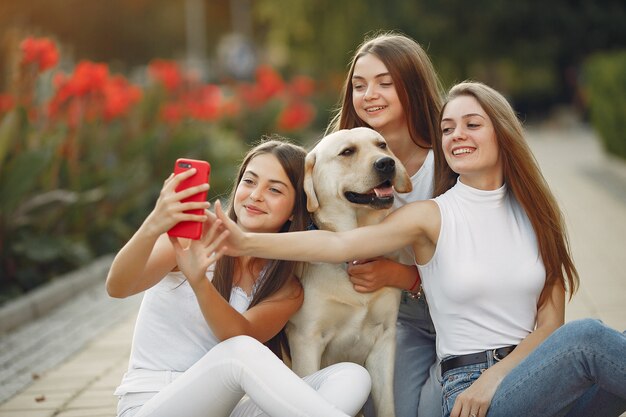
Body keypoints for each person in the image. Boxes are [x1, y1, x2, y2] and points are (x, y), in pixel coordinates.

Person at [211, 82, 626, 417]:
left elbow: (550, 325)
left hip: (526, 378)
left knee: (604, 342)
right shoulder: (429, 215)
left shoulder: (537, 212)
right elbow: (341, 243)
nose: (457, 135)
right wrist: (243, 240)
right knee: (589, 337)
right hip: (468, 397)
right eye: (447, 129)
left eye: (472, 124)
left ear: (502, 131)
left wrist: (497, 377)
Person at [106, 138, 372, 417]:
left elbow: (237, 334)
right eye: (249, 181)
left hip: (225, 409)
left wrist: (200, 283)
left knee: (351, 376)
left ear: (295, 209)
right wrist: (154, 224)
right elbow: (118, 287)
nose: (256, 195)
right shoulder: (190, 236)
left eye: (274, 190)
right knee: (239, 352)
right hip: (153, 402)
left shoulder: (286, 287)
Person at [327, 32, 444, 417]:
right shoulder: (338, 162)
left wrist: (401, 274)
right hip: (399, 321)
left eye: (384, 83)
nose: (369, 94)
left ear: (412, 86)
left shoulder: (449, 162)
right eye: (359, 86)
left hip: (460, 313)